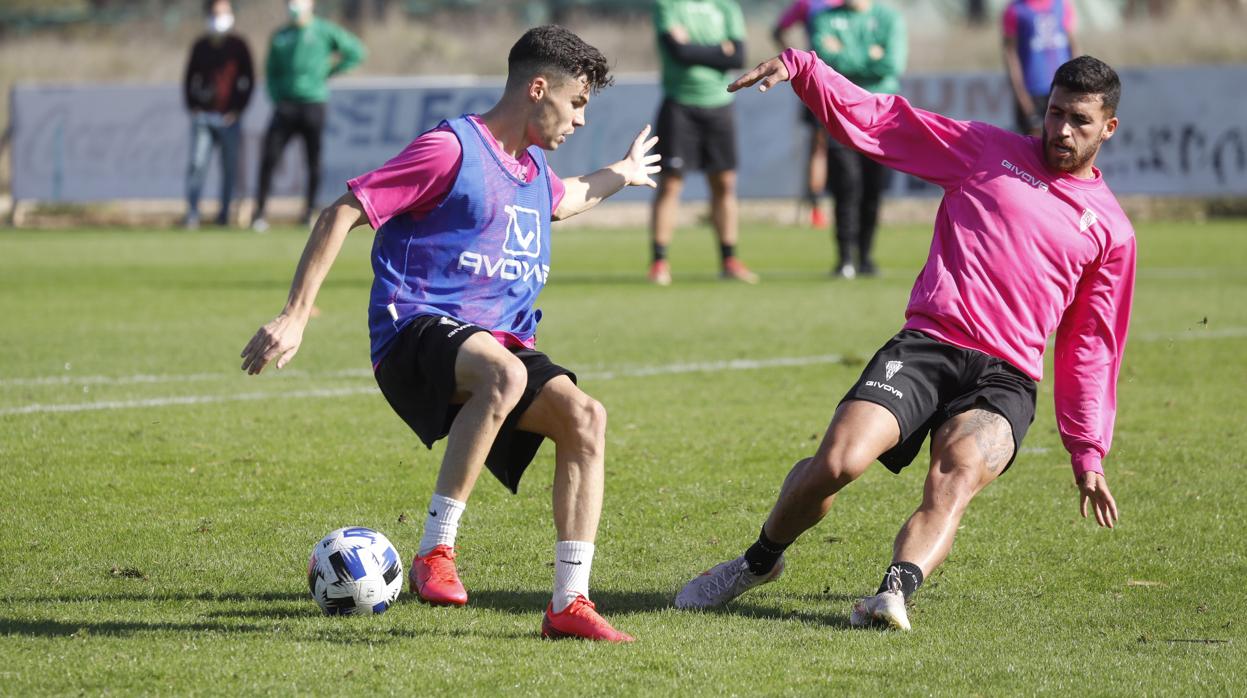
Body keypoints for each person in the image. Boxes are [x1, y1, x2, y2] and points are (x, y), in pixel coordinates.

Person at [675, 50, 1134, 631]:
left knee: (958, 472)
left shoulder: (1113, 231)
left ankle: (891, 595)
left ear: (1109, 128)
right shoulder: (987, 151)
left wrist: (1088, 450)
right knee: (837, 463)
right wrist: (805, 70)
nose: (1062, 130)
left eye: (1080, 121)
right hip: (929, 344)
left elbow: (1090, 344)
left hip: (1007, 376)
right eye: (1054, 113)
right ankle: (757, 562)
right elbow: (888, 121)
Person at [240, 25, 660, 642]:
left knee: (586, 417)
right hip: (413, 327)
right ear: (537, 89)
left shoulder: (531, 169)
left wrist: (621, 172)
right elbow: (344, 211)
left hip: (495, 341)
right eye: (576, 104)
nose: (578, 121)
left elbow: (565, 199)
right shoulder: (451, 149)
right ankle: (435, 552)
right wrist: (295, 314)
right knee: (505, 373)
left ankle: (569, 602)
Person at [649, 0, 758, 286]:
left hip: (720, 104)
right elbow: (678, 51)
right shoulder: (668, 5)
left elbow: (739, 57)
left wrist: (696, 48)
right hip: (679, 105)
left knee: (724, 184)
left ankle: (729, 259)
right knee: (671, 184)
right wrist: (718, 50)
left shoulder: (726, 7)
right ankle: (659, 261)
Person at [808, 0, 906, 278]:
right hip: (840, 115)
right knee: (846, 186)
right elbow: (825, 63)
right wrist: (869, 56)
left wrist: (846, 55)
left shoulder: (889, 18)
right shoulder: (824, 18)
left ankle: (866, 257)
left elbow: (891, 64)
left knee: (873, 189)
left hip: (880, 117)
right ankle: (844, 258)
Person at [250, 0, 365, 232]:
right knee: (269, 157)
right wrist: (277, 96)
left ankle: (309, 211)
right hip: (286, 105)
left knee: (313, 160)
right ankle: (259, 212)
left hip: (313, 103)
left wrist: (330, 70)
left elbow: (356, 51)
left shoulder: (324, 31)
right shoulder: (281, 36)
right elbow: (271, 71)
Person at [183, 0, 254, 229]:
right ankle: (192, 213)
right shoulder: (201, 46)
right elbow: (188, 78)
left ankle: (224, 214)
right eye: (215, 13)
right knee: (197, 164)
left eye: (223, 13)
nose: (219, 18)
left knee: (229, 169)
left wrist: (238, 110)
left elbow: (249, 80)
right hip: (203, 116)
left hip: (228, 119)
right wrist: (192, 106)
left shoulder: (239, 45)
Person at [771, 0, 842, 229]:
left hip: (851, 82)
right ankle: (817, 208)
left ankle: (849, 204)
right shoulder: (808, 4)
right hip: (820, 82)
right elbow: (778, 30)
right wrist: (796, 62)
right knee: (819, 146)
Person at [1003, 0, 1078, 136]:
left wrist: (1077, 87)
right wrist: (1023, 100)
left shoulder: (1062, 5)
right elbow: (1010, 56)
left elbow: (1073, 47)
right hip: (1032, 94)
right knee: (1032, 148)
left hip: (1062, 89)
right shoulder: (1015, 10)